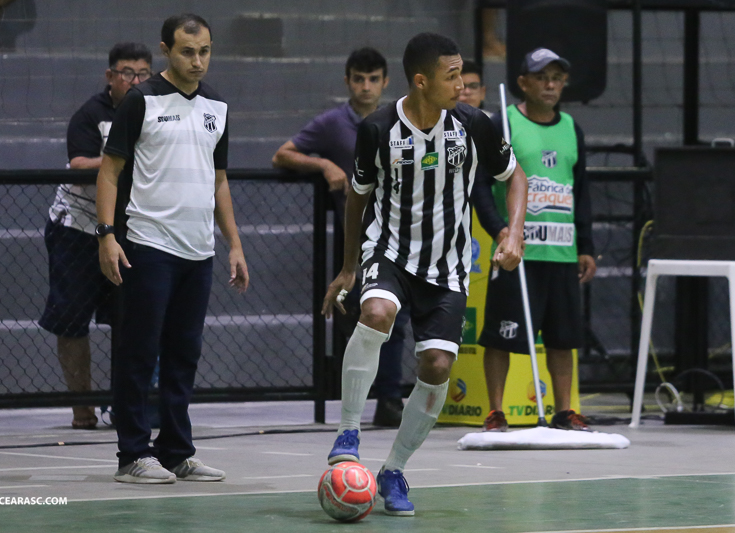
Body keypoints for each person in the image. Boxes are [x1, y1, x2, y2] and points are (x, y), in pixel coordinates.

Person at [322, 32, 528, 515]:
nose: (462, 84)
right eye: (451, 75)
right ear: (421, 81)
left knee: (436, 367)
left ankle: (393, 470)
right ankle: (348, 429)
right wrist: (350, 266)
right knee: (375, 313)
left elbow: (513, 176)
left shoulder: (474, 125)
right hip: (389, 251)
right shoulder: (377, 129)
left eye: (462, 74)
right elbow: (357, 198)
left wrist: (513, 232)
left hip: (449, 265)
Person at [96, 13, 249, 484]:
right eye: (187, 51)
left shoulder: (217, 106)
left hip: (197, 251)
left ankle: (177, 451)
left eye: (204, 50)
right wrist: (106, 235)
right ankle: (132, 455)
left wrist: (234, 245)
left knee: (184, 354)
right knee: (139, 352)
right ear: (166, 50)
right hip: (147, 245)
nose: (197, 60)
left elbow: (219, 181)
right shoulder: (140, 101)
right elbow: (109, 171)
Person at [272, 48, 406, 427]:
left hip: (398, 236)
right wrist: (324, 163)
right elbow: (282, 154)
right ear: (347, 81)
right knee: (357, 322)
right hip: (357, 243)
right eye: (359, 79)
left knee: (396, 318)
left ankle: (391, 399)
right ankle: (353, 408)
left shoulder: (398, 119)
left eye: (373, 79)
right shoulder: (332, 123)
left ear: (385, 81)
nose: (366, 87)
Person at [474, 48, 596, 433]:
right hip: (516, 254)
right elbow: (480, 187)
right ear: (523, 82)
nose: (550, 84)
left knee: (564, 338)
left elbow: (583, 190)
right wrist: (501, 231)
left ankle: (564, 411)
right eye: (542, 77)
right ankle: (496, 411)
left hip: (560, 250)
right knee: (501, 335)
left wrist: (586, 245)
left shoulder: (571, 128)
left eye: (557, 78)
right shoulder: (503, 124)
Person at [38, 42, 153, 430]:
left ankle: (126, 408)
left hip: (128, 232)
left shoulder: (154, 109)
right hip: (78, 228)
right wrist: (120, 155)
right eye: (127, 74)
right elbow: (80, 164)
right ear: (110, 76)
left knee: (129, 321)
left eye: (142, 74)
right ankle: (82, 408)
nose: (135, 81)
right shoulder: (90, 115)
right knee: (72, 319)